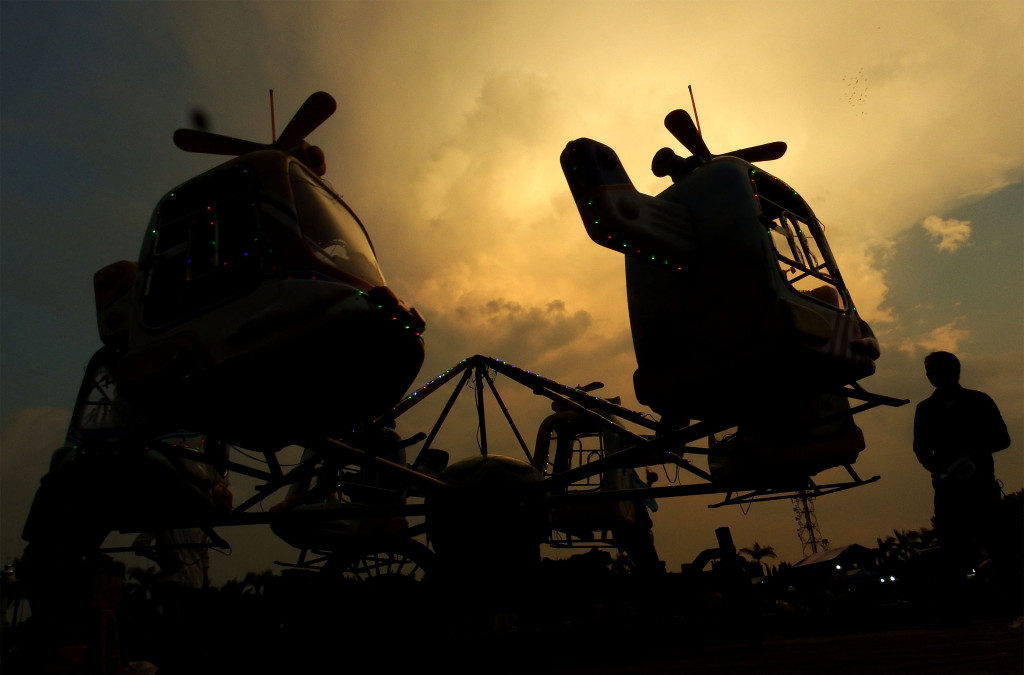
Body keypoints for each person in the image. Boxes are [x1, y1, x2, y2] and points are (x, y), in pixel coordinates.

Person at [913, 351, 1010, 575]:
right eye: (928, 370)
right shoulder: (925, 408)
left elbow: (1003, 439)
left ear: (954, 371)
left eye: (935, 368)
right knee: (954, 551)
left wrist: (974, 453)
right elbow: (921, 449)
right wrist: (937, 469)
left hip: (981, 487)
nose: (930, 374)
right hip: (948, 492)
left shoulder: (979, 400)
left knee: (996, 546)